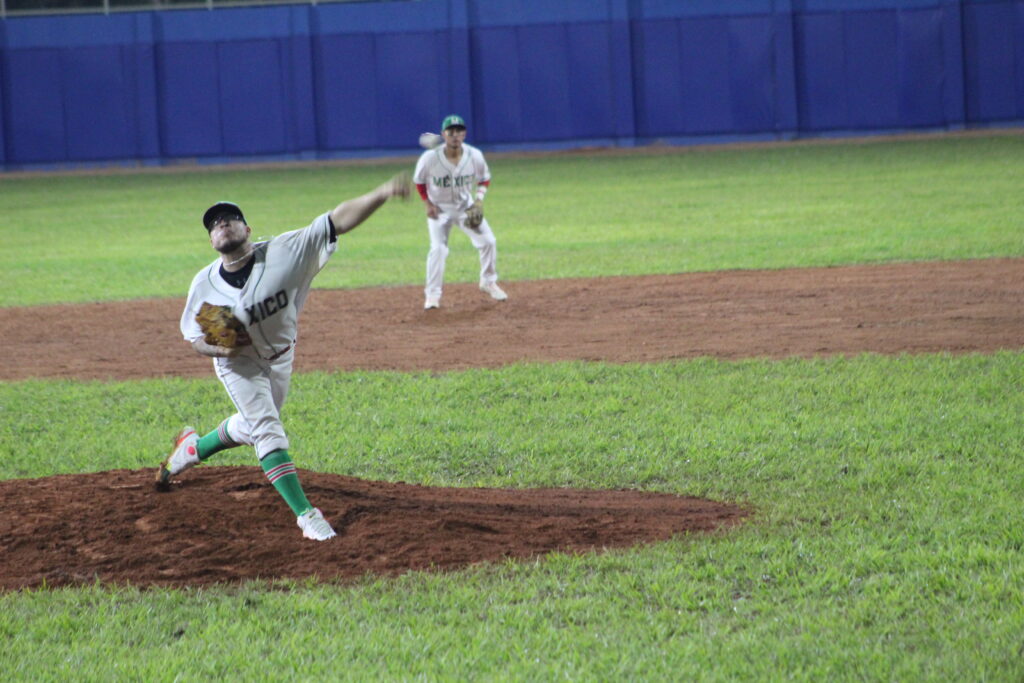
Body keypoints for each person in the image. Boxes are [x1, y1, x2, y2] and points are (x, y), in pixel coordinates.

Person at [156, 173, 411, 541]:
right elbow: (195, 338)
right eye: (213, 224)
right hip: (237, 365)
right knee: (267, 429)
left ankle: (190, 449)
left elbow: (337, 220)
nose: (221, 224)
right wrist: (219, 348)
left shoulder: (284, 253)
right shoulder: (205, 284)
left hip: (281, 357)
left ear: (247, 228)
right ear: (211, 240)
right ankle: (308, 517)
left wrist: (384, 191)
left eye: (229, 218)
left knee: (252, 425)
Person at [414, 114, 507, 310]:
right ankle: (432, 296)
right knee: (438, 249)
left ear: (464, 134)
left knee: (489, 241)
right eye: (451, 131)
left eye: (459, 131)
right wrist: (427, 204)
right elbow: (419, 182)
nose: (455, 135)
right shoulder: (430, 158)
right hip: (439, 208)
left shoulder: (474, 155)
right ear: (443, 134)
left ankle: (488, 281)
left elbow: (484, 179)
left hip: (466, 206)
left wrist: (479, 201)